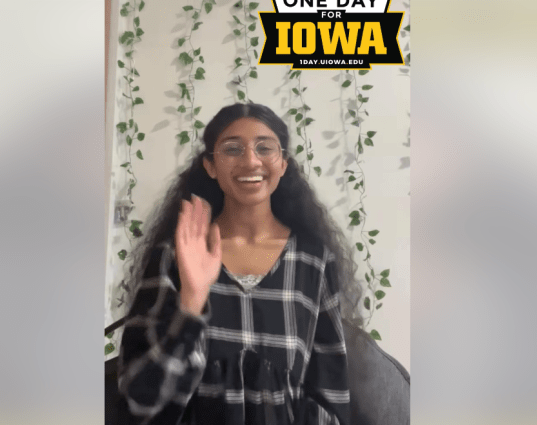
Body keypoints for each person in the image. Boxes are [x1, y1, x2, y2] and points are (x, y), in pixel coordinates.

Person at [117, 103, 363, 424]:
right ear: (210, 165)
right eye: (232, 149)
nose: (250, 161)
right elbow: (140, 402)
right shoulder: (175, 256)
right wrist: (191, 304)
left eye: (265, 148)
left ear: (283, 163)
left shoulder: (314, 261)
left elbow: (331, 394)